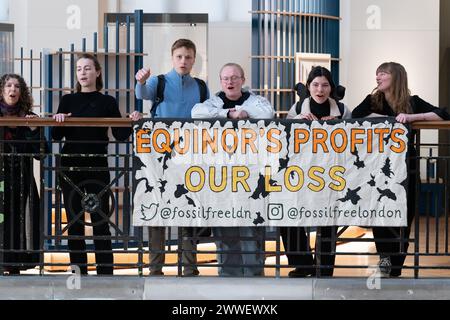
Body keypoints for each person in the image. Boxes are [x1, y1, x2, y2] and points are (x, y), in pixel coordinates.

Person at [352, 61, 449, 277]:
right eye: (377, 73)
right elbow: (354, 117)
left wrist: (412, 118)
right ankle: (385, 259)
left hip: (406, 165)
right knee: (380, 212)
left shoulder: (412, 102)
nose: (377, 77)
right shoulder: (372, 100)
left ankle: (397, 263)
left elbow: (443, 114)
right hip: (379, 165)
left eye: (383, 74)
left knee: (405, 213)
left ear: (396, 77)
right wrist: (388, 120)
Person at [52, 53, 142, 275]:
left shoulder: (108, 101)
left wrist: (132, 119)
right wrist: (59, 120)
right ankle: (78, 272)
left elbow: (121, 135)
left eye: (87, 68)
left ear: (98, 72)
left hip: (97, 164)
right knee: (75, 221)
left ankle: (105, 273)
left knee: (100, 218)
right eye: (79, 69)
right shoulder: (67, 100)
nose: (82, 73)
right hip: (70, 166)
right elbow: (55, 135)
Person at [135, 38, 210, 276]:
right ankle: (155, 267)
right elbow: (143, 93)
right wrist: (141, 81)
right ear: (172, 58)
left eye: (188, 57)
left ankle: (189, 267)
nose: (184, 61)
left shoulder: (201, 86)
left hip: (190, 156)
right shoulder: (159, 81)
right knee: (158, 208)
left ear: (194, 60)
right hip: (159, 157)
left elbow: (208, 113)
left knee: (188, 211)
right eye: (179, 56)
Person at [192, 62, 274, 276]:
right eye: (226, 78)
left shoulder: (257, 101)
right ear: (221, 82)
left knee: (252, 227)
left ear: (243, 80)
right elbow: (196, 113)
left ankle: (255, 275)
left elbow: (267, 114)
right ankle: (228, 276)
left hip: (252, 175)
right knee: (225, 227)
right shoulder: (212, 102)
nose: (230, 82)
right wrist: (229, 114)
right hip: (223, 176)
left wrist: (240, 111)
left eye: (235, 77)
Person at [282, 66, 351, 277]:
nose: (320, 89)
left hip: (332, 173)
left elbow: (355, 140)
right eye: (315, 85)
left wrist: (340, 126)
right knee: (290, 216)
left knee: (328, 220)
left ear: (331, 88)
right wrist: (297, 122)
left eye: (325, 85)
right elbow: (283, 134)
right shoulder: (296, 108)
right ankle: (302, 264)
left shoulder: (343, 109)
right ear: (309, 86)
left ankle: (325, 267)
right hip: (301, 172)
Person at [0, 73, 43, 275]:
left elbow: (42, 154)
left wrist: (34, 129)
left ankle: (14, 265)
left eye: (17, 86)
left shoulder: (29, 117)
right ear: (2, 90)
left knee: (18, 221)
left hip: (21, 178)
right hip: (1, 178)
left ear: (21, 92)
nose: (13, 89)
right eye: (8, 85)